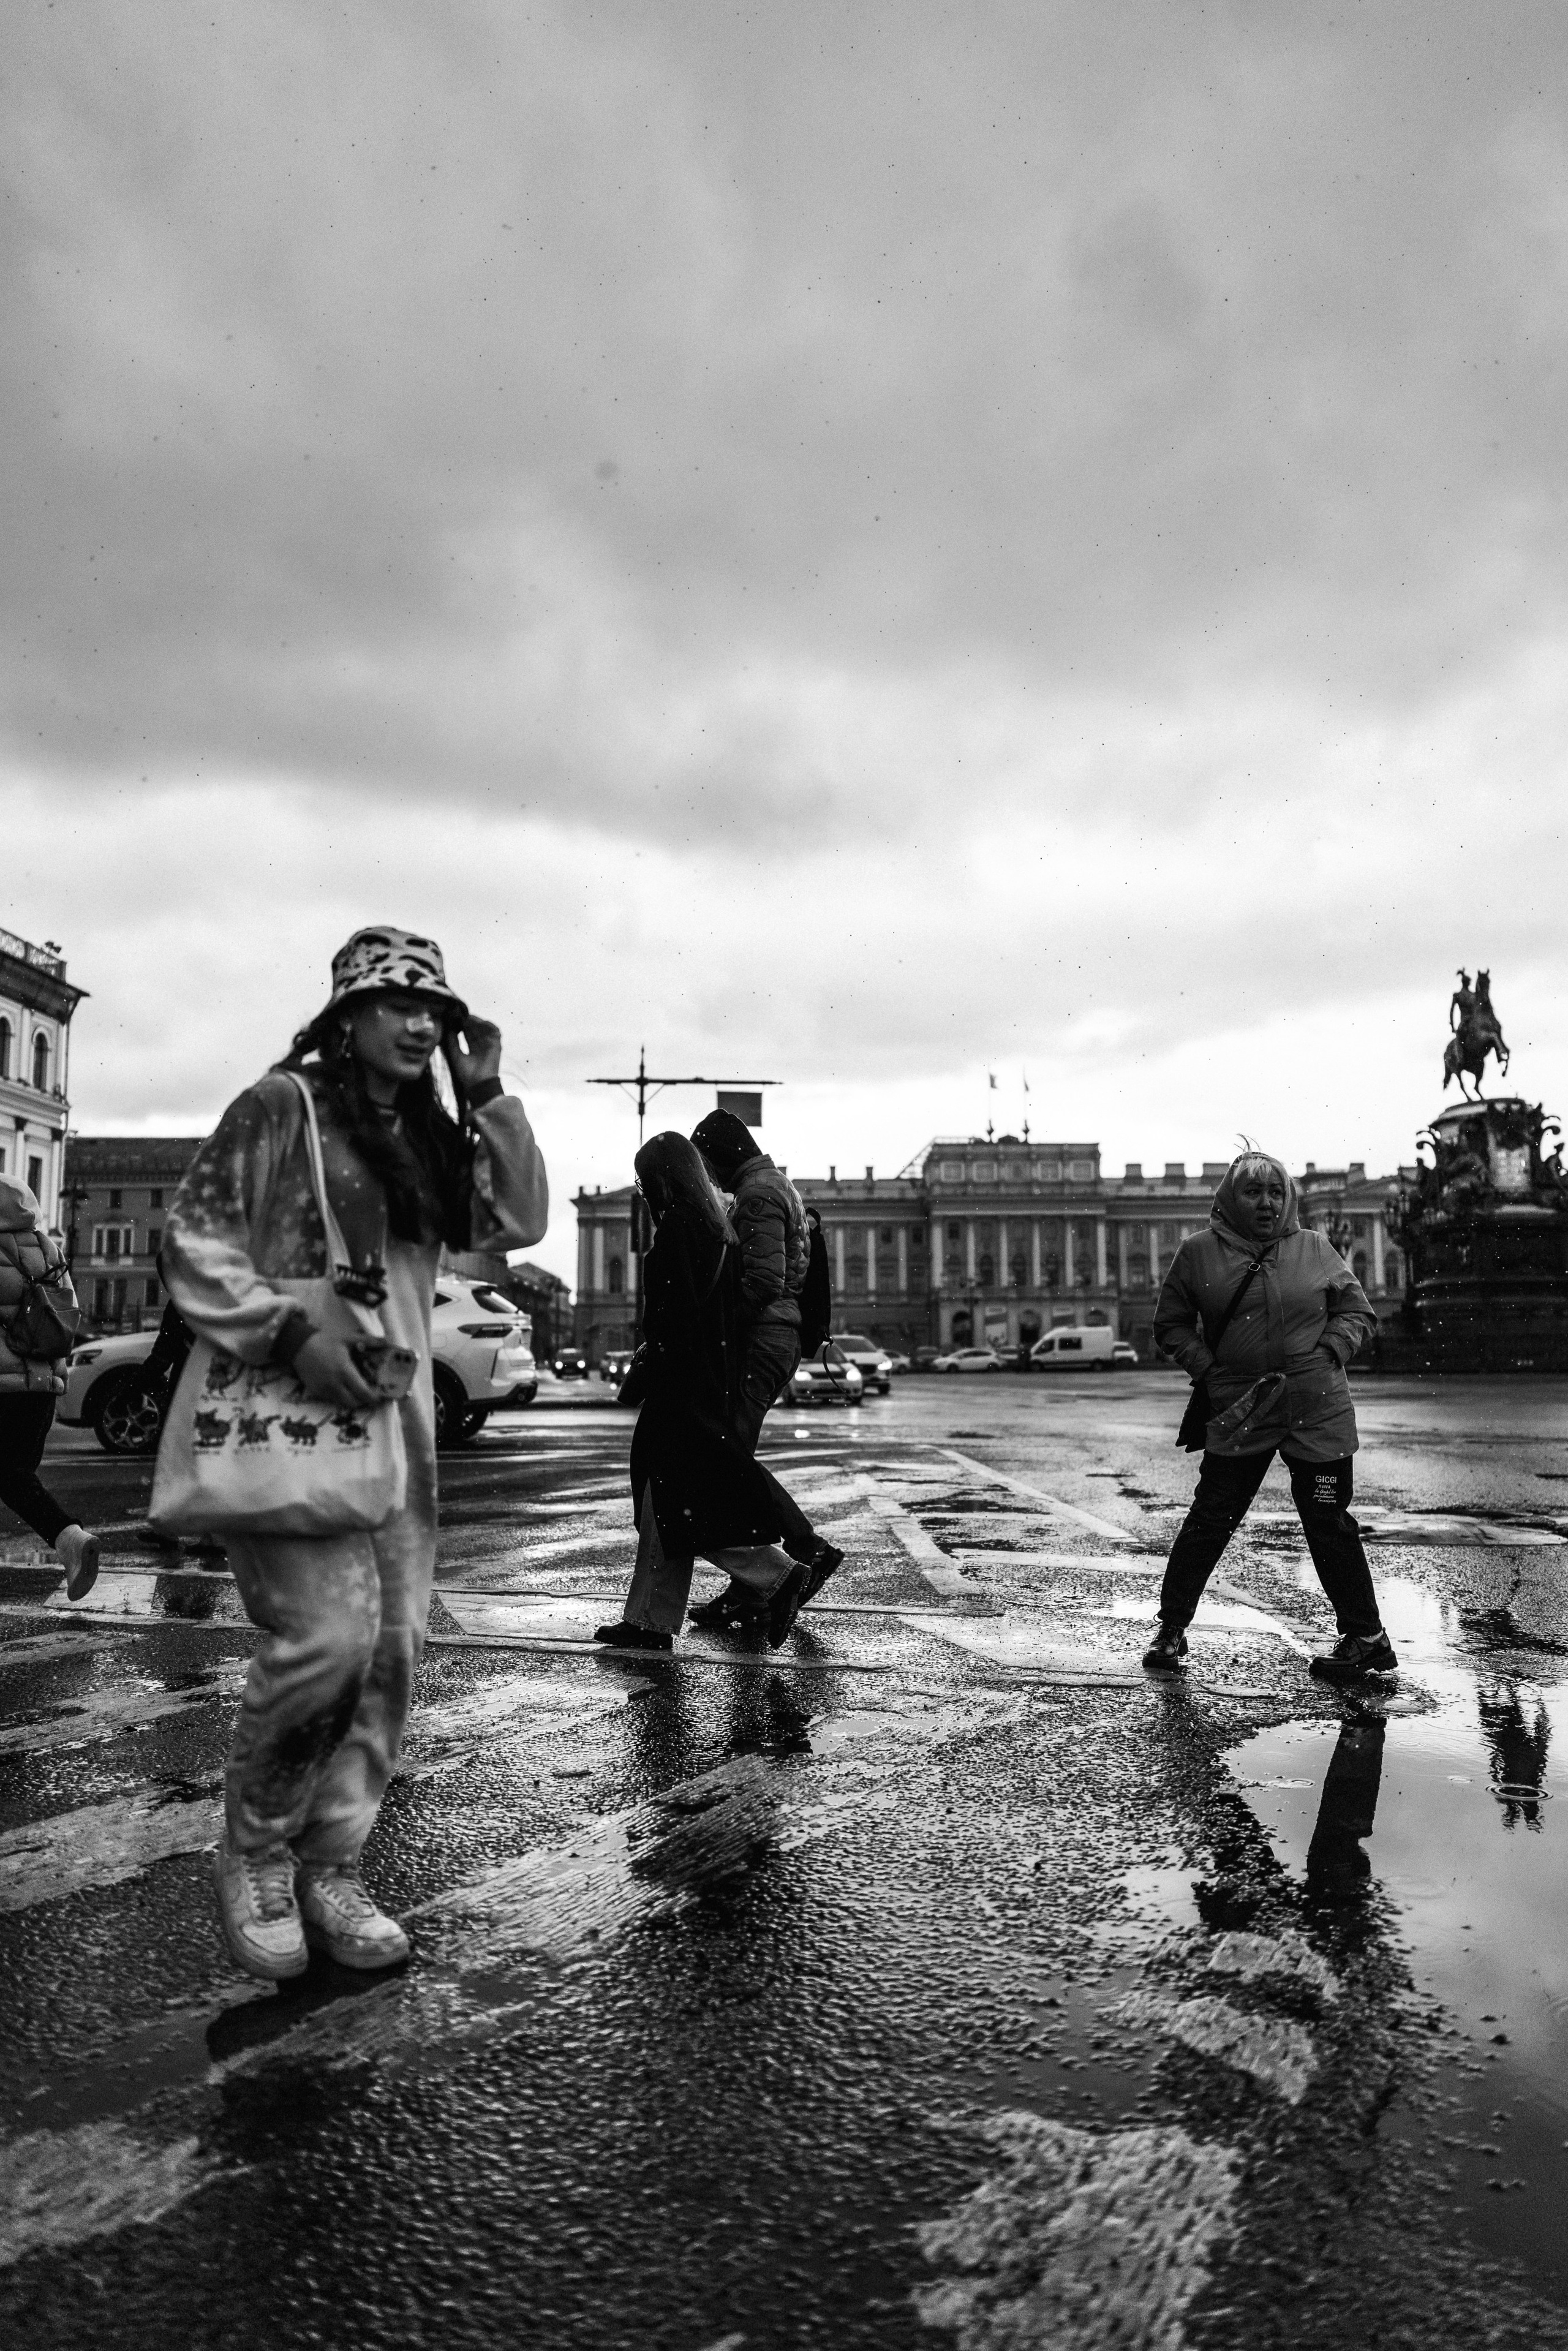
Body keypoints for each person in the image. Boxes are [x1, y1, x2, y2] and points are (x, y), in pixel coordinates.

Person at [160, 926, 547, 1983]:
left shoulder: (425, 1129)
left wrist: (490, 1094)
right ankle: (257, 1851)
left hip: (399, 1422)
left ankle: (334, 1864)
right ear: (347, 1014)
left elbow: (514, 1218)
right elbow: (193, 1245)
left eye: (438, 1010)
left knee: (389, 1656)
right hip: (291, 1407)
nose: (423, 1024)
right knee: (327, 1638)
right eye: (398, 1005)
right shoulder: (280, 1106)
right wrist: (295, 1335)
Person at [1144, 1151, 1398, 1685]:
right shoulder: (1198, 1254)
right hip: (1241, 1409)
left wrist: (1331, 1350)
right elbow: (1170, 1325)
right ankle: (1171, 1628)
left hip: (1317, 1409)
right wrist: (1210, 1371)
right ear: (1230, 1201)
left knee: (1329, 1522)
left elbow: (1357, 1311)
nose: (1266, 1204)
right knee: (1211, 1519)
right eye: (1253, 1193)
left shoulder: (1315, 1248)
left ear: (1289, 1200)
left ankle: (1367, 1638)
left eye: (1276, 1194)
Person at [594, 1133, 812, 1656]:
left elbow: (676, 1320)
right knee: (666, 1503)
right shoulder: (720, 1231)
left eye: (648, 1184)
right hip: (708, 1378)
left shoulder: (676, 1232)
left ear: (666, 1181)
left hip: (680, 1386)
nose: (646, 1195)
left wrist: (651, 1364)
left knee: (677, 1504)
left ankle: (776, 1575)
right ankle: (650, 1620)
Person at [684, 1109, 842, 1630]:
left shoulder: (757, 1194)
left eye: (706, 1161)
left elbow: (764, 1282)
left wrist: (717, 1326)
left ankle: (804, 1549)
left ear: (722, 1154)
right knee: (732, 1461)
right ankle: (753, 1588)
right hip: (779, 1337)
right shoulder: (776, 1187)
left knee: (725, 1457)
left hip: (765, 1337)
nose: (706, 1174)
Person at [0, 1172, 99, 1601]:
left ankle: (68, 1538)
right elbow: (67, 1315)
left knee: (9, 1477)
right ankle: (68, 1538)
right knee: (14, 1475)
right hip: (40, 1391)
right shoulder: (50, 1251)